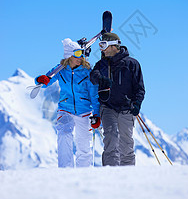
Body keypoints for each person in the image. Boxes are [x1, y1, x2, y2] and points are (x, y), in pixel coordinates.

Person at [35, 38, 100, 168]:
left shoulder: (87, 72)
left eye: (82, 53)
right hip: (65, 109)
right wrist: (40, 80)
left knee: (84, 146)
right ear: (69, 56)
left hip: (84, 111)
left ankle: (84, 173)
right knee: (64, 134)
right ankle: (65, 170)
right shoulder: (60, 70)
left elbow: (94, 95)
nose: (80, 57)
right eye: (77, 54)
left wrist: (97, 114)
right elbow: (44, 83)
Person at [90, 32, 145, 166]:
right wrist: (100, 78)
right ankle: (110, 175)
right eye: (100, 45)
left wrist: (137, 103)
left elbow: (140, 88)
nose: (101, 49)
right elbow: (93, 76)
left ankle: (127, 176)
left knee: (126, 144)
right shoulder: (101, 64)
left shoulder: (132, 64)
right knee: (111, 140)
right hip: (108, 107)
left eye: (103, 45)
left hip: (126, 109)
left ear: (114, 45)